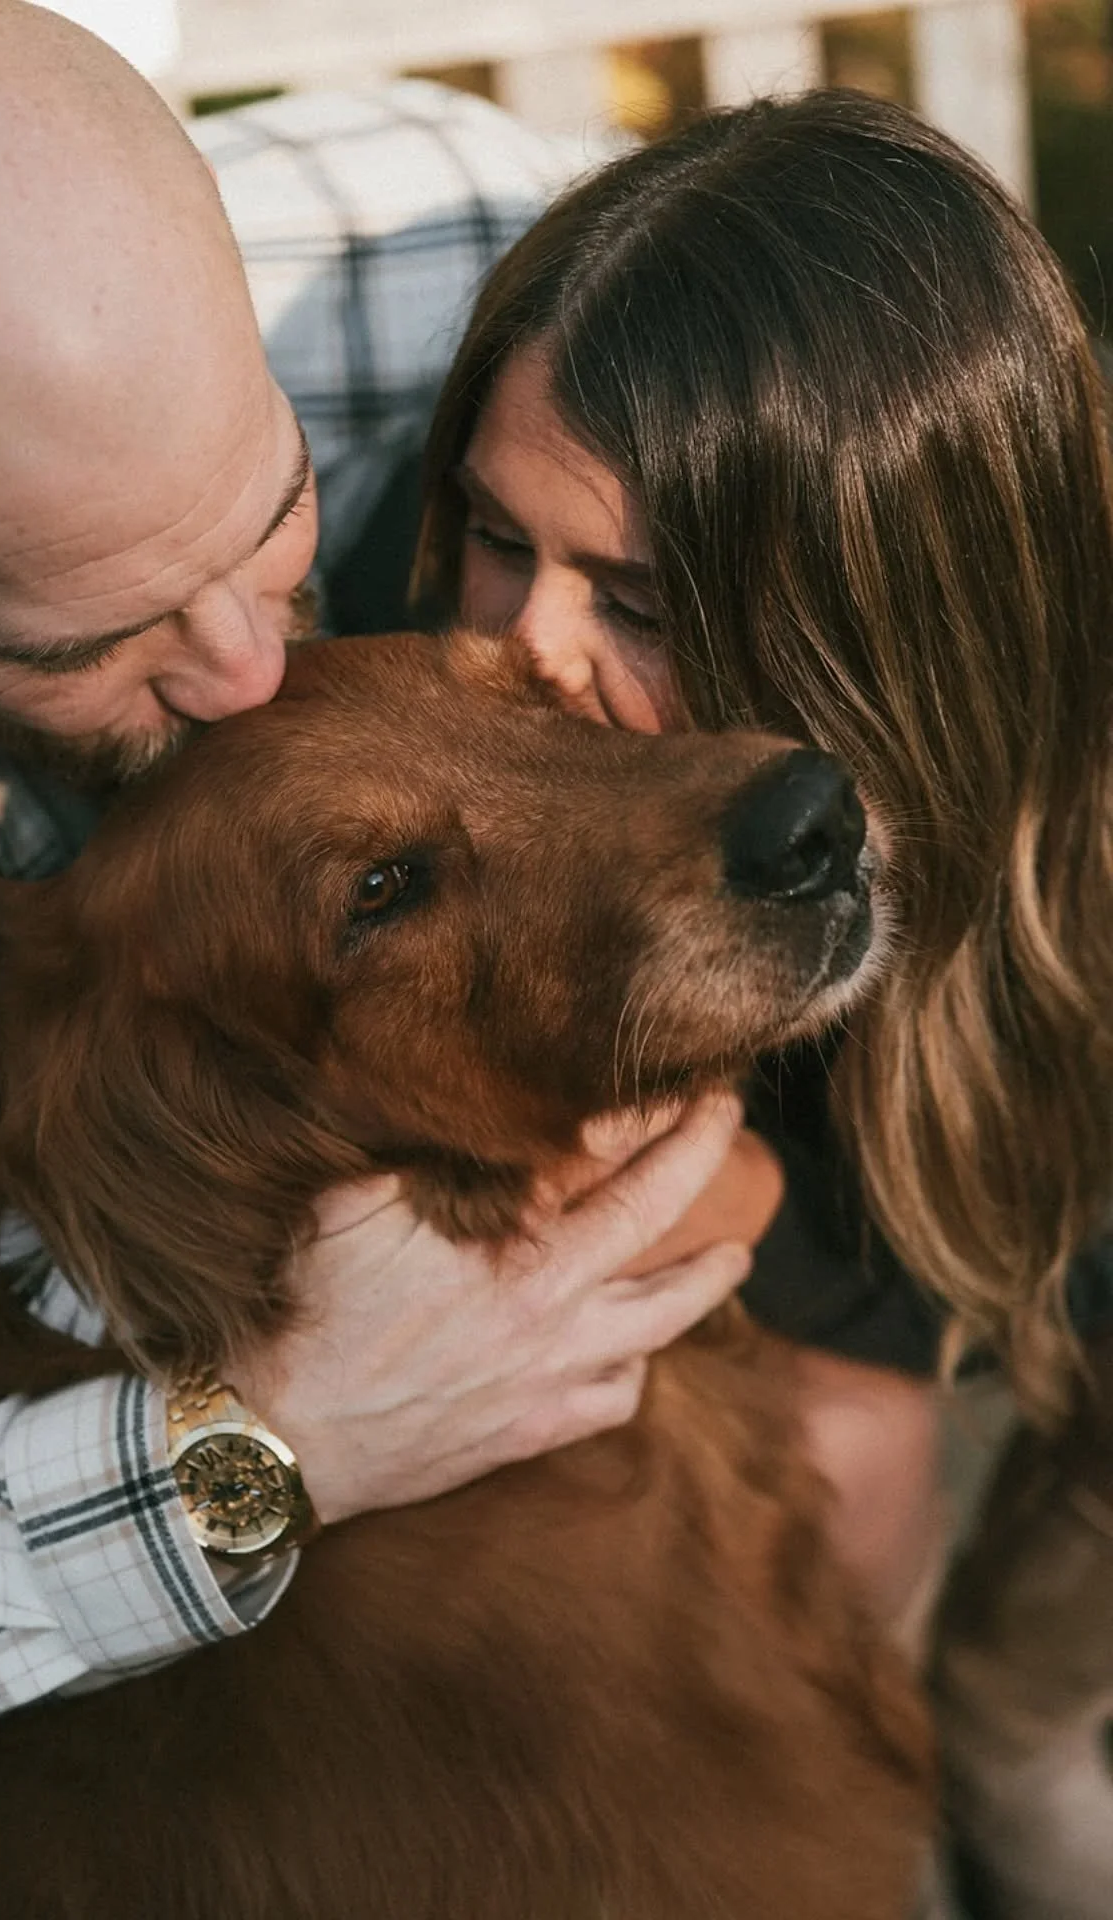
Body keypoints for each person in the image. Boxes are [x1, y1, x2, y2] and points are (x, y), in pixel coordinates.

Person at [0, 1, 757, 1784]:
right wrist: (268, 1445)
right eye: (90, 638)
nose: (254, 674)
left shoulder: (435, 241)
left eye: (273, 512)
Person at [413, 86, 1113, 1638]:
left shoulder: (1053, 875)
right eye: (498, 535)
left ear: (884, 646)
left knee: (1007, 1713)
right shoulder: (426, 677)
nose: (528, 648)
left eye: (642, 606)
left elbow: (905, 1321)